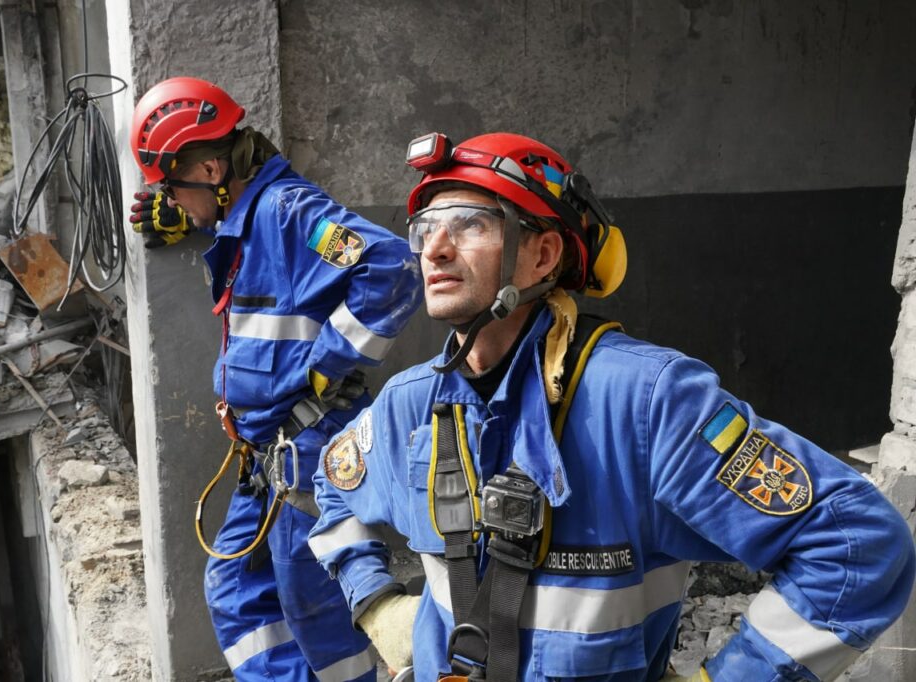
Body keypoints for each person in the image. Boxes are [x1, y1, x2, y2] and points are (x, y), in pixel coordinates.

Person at [308, 131, 916, 681]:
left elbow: (857, 544)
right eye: (425, 229)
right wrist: (379, 604)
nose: (434, 249)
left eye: (470, 224)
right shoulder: (409, 406)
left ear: (543, 256)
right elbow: (332, 486)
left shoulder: (647, 403)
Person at [128, 76, 422, 681]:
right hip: (266, 455)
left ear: (211, 170)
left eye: (172, 187)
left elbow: (392, 267)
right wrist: (191, 220)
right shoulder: (247, 215)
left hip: (311, 449)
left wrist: (321, 369)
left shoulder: (290, 211)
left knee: (317, 611)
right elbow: (257, 250)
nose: (170, 199)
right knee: (236, 590)